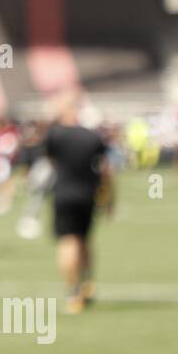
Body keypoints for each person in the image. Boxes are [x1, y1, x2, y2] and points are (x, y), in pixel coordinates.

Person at [44, 91, 112, 314]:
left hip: (63, 194)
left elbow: (50, 163)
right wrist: (110, 198)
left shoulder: (54, 135)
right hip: (87, 195)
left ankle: (73, 293)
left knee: (68, 242)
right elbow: (104, 170)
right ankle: (87, 284)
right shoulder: (91, 136)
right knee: (85, 240)